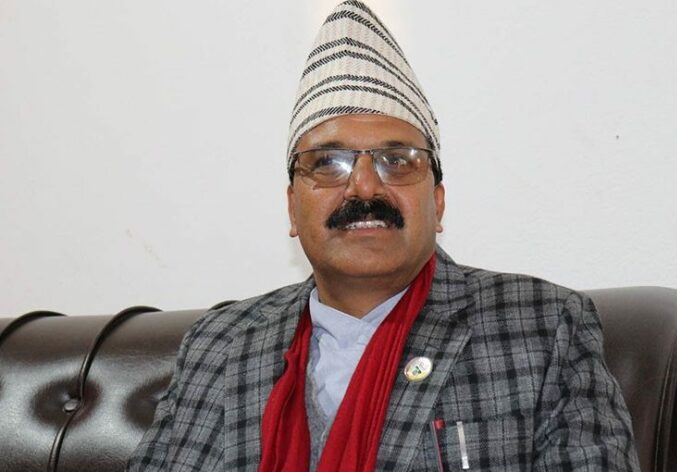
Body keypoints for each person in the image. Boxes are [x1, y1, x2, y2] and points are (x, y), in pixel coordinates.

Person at [127, 1, 640, 470]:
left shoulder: (542, 327)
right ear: (292, 208)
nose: (365, 186)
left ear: (438, 203)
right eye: (328, 163)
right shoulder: (219, 344)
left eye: (398, 160)